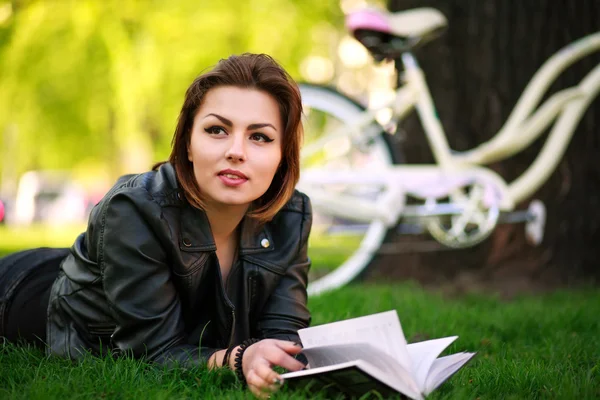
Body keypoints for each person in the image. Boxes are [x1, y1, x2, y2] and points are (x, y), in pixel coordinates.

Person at [0, 53, 311, 398]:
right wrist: (239, 359)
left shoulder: (291, 217)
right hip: (20, 287)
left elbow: (285, 336)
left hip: (108, 270)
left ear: (283, 155)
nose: (236, 151)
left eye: (260, 137)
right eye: (217, 130)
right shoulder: (135, 210)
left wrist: (275, 356)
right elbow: (152, 353)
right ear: (188, 145)